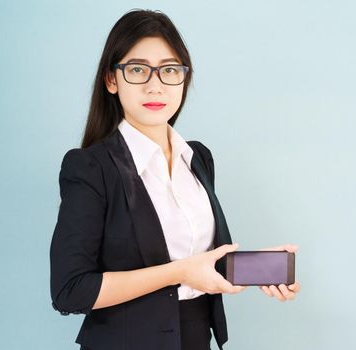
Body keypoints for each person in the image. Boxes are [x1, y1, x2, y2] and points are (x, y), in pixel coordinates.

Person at [49, 9, 300, 350]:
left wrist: (257, 268)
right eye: (137, 69)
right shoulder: (91, 168)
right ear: (112, 80)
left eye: (169, 70)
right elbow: (70, 290)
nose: (155, 85)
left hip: (196, 339)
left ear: (183, 78)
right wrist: (178, 272)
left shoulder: (197, 158)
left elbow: (199, 261)